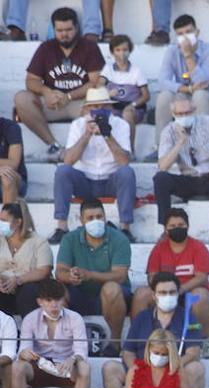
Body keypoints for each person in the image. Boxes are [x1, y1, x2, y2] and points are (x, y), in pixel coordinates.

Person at [15, 7, 106, 159]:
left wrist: (69, 96)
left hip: (79, 102)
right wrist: (46, 92)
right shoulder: (46, 48)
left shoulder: (89, 47)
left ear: (76, 27)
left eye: (69, 29)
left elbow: (96, 82)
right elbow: (31, 80)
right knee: (21, 98)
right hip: (52, 103)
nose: (64, 34)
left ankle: (81, 151)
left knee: (99, 104)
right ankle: (54, 146)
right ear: (54, 29)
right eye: (60, 30)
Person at [153, 93, 209, 246]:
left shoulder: (207, 122)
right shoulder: (169, 131)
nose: (184, 116)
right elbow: (163, 166)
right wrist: (180, 143)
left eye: (187, 112)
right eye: (179, 114)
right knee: (160, 178)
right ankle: (166, 228)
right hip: (187, 178)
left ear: (194, 110)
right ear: (173, 114)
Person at [104, 267, 206, 388]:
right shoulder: (142, 317)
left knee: (196, 368)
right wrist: (137, 369)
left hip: (174, 371)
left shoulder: (188, 318)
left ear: (178, 293)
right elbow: (128, 352)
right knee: (110, 368)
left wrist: (174, 366)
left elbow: (193, 353)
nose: (168, 296)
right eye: (163, 293)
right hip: (143, 370)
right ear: (154, 295)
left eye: (172, 292)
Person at [51, 88, 136, 239]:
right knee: (62, 171)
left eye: (103, 107)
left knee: (127, 172)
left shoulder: (121, 125)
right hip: (85, 181)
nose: (99, 110)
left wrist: (107, 135)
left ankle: (125, 228)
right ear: (87, 108)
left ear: (110, 108)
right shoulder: (78, 125)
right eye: (95, 107)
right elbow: (68, 160)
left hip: (111, 181)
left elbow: (124, 161)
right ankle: (61, 227)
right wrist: (87, 134)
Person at [55, 199, 131, 356]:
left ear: (105, 217)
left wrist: (89, 275)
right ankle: (63, 345)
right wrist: (71, 276)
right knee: (57, 289)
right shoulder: (70, 239)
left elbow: (120, 276)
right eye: (90, 218)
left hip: (113, 298)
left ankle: (115, 344)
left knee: (111, 288)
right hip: (80, 294)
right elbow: (60, 272)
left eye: (99, 216)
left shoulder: (119, 239)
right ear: (81, 220)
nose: (95, 221)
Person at [152, 15, 209, 148]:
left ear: (197, 32)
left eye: (188, 32)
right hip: (185, 96)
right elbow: (162, 81)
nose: (184, 37)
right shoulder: (172, 51)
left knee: (200, 95)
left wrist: (188, 55)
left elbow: (203, 81)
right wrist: (187, 89)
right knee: (164, 96)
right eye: (180, 34)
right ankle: (161, 148)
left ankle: (204, 148)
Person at [11, 278, 90, 388]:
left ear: (63, 300)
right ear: (40, 301)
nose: (54, 305)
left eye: (58, 299)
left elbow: (81, 351)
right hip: (39, 366)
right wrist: (24, 353)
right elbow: (24, 348)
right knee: (17, 367)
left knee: (84, 367)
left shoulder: (75, 318)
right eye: (48, 300)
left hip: (66, 367)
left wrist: (72, 359)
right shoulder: (30, 319)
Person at [0, 203, 52, 317]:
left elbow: (44, 270)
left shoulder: (39, 242)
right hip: (4, 290)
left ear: (18, 222)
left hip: (28, 290)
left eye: (4, 220)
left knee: (29, 290)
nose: (1, 224)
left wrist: (18, 280)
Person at [104, 34, 148, 159]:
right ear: (112, 52)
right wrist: (107, 93)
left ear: (130, 51)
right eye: (118, 50)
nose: (122, 54)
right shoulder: (108, 70)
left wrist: (132, 105)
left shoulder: (136, 71)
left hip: (134, 108)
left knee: (127, 114)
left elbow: (146, 96)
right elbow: (98, 87)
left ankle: (130, 151)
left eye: (125, 50)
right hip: (114, 106)